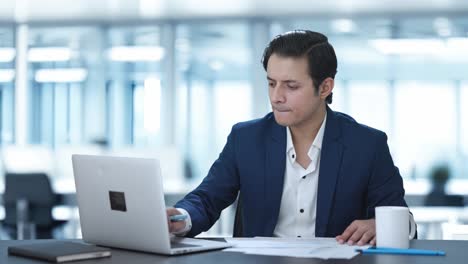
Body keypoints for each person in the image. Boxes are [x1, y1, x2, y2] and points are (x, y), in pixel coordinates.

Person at [167, 30, 415, 246]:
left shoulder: (366, 145)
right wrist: (178, 218)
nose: (276, 97)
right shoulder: (246, 139)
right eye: (271, 83)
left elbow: (404, 219)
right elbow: (206, 198)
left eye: (291, 86)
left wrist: (378, 225)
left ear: (325, 87)